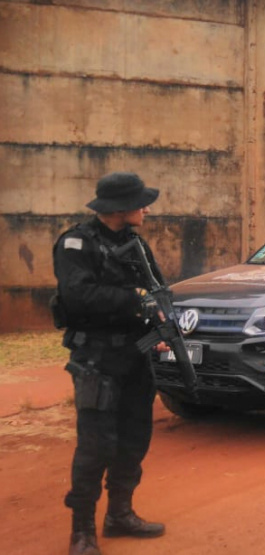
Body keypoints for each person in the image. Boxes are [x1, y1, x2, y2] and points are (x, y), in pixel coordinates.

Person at [53, 172, 168, 555]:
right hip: (96, 358)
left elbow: (156, 290)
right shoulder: (76, 243)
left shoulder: (135, 243)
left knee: (134, 439)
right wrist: (134, 299)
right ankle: (82, 531)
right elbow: (78, 296)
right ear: (121, 208)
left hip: (136, 355)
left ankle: (120, 514)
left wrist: (161, 322)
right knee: (96, 446)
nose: (146, 209)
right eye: (141, 203)